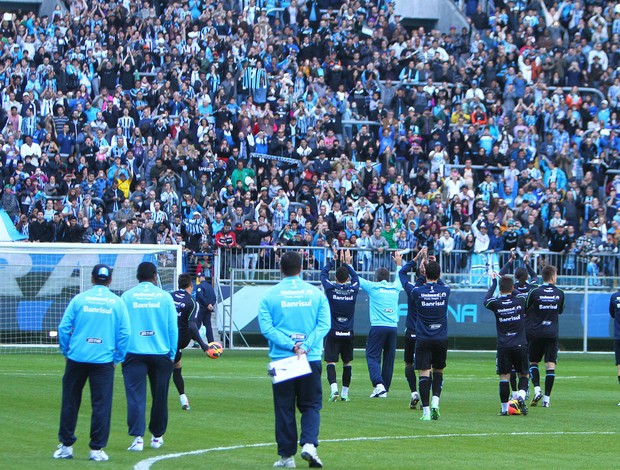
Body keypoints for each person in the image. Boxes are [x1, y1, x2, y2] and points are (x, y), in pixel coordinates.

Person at [258, 251, 330, 468]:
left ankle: (286, 457)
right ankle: (309, 444)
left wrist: (291, 345)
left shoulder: (270, 295)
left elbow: (267, 328)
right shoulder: (315, 293)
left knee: (284, 407)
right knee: (311, 405)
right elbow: (324, 324)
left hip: (283, 358)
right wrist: (306, 346)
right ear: (302, 268)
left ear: (280, 268)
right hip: (310, 357)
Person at [54, 264, 130, 461]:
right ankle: (96, 449)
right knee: (101, 405)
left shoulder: (79, 299)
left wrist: (66, 350)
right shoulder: (117, 302)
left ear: (92, 278)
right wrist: (117, 358)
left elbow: (63, 328)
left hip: (77, 358)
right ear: (110, 280)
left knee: (70, 402)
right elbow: (125, 334)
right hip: (103, 361)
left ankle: (66, 446)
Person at [122, 262, 178, 452]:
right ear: (155, 276)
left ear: (137, 276)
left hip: (134, 352)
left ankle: (137, 438)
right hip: (160, 353)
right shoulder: (165, 297)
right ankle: (157, 436)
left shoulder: (127, 296)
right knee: (160, 396)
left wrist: (121, 352)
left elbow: (122, 327)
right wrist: (172, 352)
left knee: (135, 396)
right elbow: (172, 327)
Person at [408, 257, 451, 421]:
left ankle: (425, 412)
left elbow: (414, 288)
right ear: (439, 275)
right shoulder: (445, 290)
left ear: (425, 273)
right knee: (438, 370)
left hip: (423, 338)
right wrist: (433, 269)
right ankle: (435, 401)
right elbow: (440, 283)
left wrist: (421, 274)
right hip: (441, 338)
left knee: (423, 374)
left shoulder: (418, 292)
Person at [483, 272, 529, 416]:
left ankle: (504, 410)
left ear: (500, 290)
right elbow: (520, 293)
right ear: (512, 287)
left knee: (504, 377)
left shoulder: (496, 303)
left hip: (504, 346)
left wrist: (495, 283)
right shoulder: (520, 300)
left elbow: (486, 300)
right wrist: (507, 283)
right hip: (520, 344)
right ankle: (520, 397)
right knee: (524, 374)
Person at [359, 251, 403, 398]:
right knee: (389, 358)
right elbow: (400, 277)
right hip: (393, 327)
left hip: (378, 326)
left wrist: (346, 263)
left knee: (372, 355)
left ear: (377, 278)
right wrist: (398, 264)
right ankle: (384, 388)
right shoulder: (395, 287)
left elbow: (355, 278)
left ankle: (378, 384)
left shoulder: (373, 287)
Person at [320, 249, 360, 402]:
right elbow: (356, 278)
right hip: (348, 332)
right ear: (347, 278)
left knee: (331, 361)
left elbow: (323, 275)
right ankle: (345, 393)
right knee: (347, 363)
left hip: (333, 331)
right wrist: (347, 264)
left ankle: (334, 390)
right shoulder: (353, 289)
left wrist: (333, 261)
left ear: (336, 277)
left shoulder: (331, 289)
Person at [498, 249, 538, 399]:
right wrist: (527, 263)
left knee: (511, 363)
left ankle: (514, 392)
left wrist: (510, 260)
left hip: (515, 325)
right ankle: (524, 390)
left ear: (514, 277)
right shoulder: (532, 287)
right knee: (524, 362)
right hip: (530, 326)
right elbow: (534, 276)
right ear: (526, 276)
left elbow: (501, 276)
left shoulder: (512, 289)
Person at [526, 265, 565, 408]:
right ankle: (547, 399)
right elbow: (560, 311)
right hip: (552, 334)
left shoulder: (535, 291)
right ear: (553, 276)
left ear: (543, 276)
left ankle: (537, 389)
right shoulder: (560, 293)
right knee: (550, 366)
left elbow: (526, 307)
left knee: (533, 362)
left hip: (536, 332)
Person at [171, 273, 211, 411]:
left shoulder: (169, 296)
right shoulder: (192, 303)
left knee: (175, 365)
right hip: (179, 340)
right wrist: (204, 345)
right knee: (170, 368)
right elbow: (192, 326)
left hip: (165, 338)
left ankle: (183, 398)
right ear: (191, 286)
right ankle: (181, 398)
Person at [398, 248, 428, 409]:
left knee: (409, 364)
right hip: (425, 333)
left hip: (410, 331)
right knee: (425, 368)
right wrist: (429, 264)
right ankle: (426, 399)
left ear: (415, 276)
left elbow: (402, 273)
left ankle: (413, 392)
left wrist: (415, 259)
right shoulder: (430, 291)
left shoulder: (412, 289)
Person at [195, 272, 217, 343]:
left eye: (199, 277)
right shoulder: (210, 286)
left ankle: (197, 341)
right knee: (208, 325)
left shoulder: (200, 286)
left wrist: (207, 304)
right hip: (208, 309)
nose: (198, 278)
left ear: (203, 277)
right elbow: (214, 298)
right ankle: (211, 342)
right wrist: (211, 304)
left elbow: (200, 296)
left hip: (201, 308)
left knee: (197, 325)